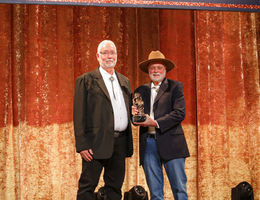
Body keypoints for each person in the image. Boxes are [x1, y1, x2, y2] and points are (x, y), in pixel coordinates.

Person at [73, 40, 133, 200]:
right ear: (98, 56)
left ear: (117, 56)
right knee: (87, 186)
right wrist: (82, 145)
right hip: (95, 143)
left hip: (120, 142)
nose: (109, 56)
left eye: (112, 52)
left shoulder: (125, 81)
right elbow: (79, 115)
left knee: (115, 188)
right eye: (105, 53)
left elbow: (128, 110)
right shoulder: (86, 80)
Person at [132, 50, 190, 200]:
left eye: (159, 68)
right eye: (153, 68)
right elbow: (136, 119)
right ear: (148, 71)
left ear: (165, 70)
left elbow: (179, 113)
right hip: (149, 143)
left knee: (179, 190)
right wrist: (133, 116)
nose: (155, 71)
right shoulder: (140, 90)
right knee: (155, 193)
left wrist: (155, 122)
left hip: (172, 143)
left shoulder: (175, 87)